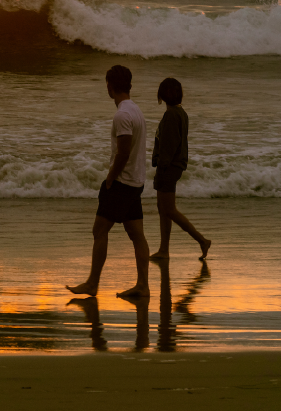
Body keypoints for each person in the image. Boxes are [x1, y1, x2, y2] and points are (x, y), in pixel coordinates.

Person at [67, 65, 150, 298]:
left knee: (99, 230)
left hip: (122, 183)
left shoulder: (122, 114)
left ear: (109, 86)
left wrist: (110, 179)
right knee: (136, 234)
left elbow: (123, 152)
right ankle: (143, 285)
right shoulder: (136, 111)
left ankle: (93, 284)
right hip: (136, 182)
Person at [149, 77, 211, 260]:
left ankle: (202, 240)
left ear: (162, 95)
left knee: (168, 209)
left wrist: (161, 167)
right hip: (176, 165)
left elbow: (168, 145)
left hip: (169, 167)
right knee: (163, 208)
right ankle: (164, 250)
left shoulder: (171, 115)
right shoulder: (181, 113)